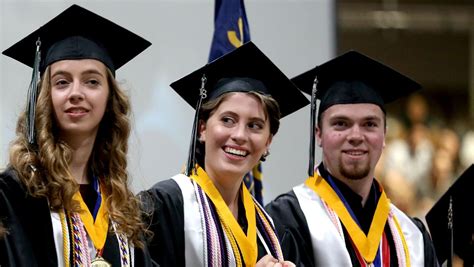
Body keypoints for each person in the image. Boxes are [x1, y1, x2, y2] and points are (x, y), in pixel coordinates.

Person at [0, 5, 154, 266]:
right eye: (62, 82)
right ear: (45, 97)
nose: (76, 93)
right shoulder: (14, 195)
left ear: (110, 99)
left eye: (91, 81)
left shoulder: (122, 206)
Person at [140, 41, 309, 266]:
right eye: (227, 120)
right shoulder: (164, 207)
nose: (240, 135)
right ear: (202, 128)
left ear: (268, 141)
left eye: (255, 125)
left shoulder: (270, 228)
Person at [265, 51, 439, 267]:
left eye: (369, 124)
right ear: (318, 133)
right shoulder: (286, 220)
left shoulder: (414, 237)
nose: (356, 136)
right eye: (341, 124)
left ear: (384, 135)